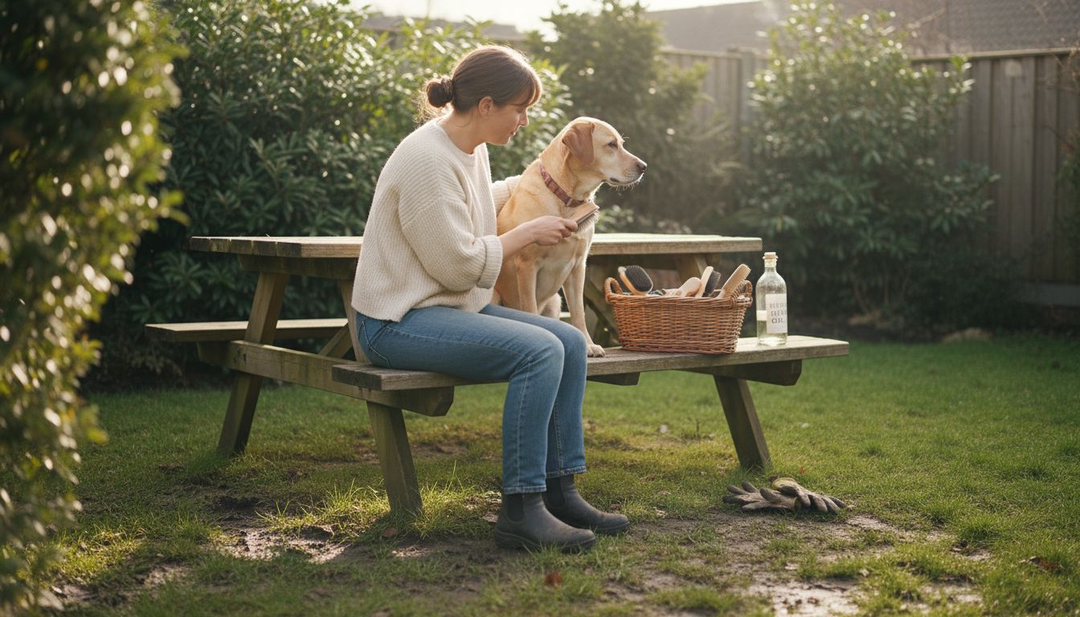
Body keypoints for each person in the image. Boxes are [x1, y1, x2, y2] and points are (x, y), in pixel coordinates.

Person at [350, 45, 628, 552]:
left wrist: (543, 189)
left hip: (451, 308)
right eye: (519, 109)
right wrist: (527, 233)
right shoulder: (425, 160)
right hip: (396, 321)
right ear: (484, 106)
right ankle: (521, 509)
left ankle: (560, 489)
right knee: (539, 349)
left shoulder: (468, 149)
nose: (524, 121)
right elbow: (456, 264)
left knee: (566, 340)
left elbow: (479, 204)